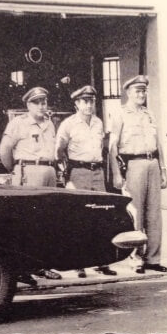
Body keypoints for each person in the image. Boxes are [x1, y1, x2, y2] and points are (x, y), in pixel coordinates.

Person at [0, 86, 62, 282]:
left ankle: (43, 265)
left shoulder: (49, 124)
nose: (43, 106)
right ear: (28, 105)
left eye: (44, 102)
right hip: (28, 171)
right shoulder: (18, 123)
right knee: (27, 221)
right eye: (38, 102)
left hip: (49, 171)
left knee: (47, 221)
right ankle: (23, 268)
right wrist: (15, 169)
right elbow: (4, 150)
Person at [55, 85, 117, 278]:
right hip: (78, 172)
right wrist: (65, 174)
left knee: (101, 218)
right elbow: (59, 150)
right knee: (79, 219)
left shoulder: (99, 123)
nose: (89, 105)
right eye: (84, 101)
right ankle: (79, 262)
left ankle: (101, 261)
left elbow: (104, 149)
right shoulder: (68, 124)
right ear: (76, 104)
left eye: (91, 101)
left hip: (97, 172)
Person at [109, 75, 167, 274]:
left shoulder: (149, 114)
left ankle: (153, 258)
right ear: (128, 93)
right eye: (137, 91)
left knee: (154, 215)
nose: (141, 94)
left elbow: (158, 145)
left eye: (143, 91)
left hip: (152, 164)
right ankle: (136, 259)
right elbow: (113, 148)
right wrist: (117, 174)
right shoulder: (120, 115)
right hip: (133, 165)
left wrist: (163, 170)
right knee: (136, 215)